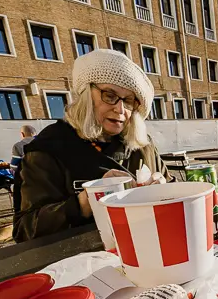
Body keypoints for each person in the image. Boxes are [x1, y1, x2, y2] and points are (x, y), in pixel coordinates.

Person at [13, 49, 171, 242]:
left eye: (129, 100)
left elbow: (172, 187)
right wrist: (84, 203)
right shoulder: (49, 148)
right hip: (84, 261)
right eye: (110, 95)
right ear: (86, 95)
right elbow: (25, 230)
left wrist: (166, 190)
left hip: (150, 247)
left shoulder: (142, 144)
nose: (120, 109)